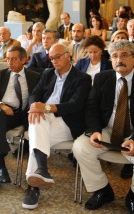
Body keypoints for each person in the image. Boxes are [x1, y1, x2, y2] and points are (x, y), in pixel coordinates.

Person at [72, 40, 134, 214]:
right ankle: (102, 190)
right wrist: (95, 130)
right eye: (114, 56)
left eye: (124, 55)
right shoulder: (102, 78)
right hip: (106, 131)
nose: (119, 59)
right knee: (80, 147)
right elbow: (91, 108)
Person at [21, 43, 92, 210]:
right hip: (45, 120)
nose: (54, 60)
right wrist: (34, 107)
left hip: (67, 123)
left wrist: (45, 108)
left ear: (68, 55)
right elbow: (34, 94)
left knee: (35, 133)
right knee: (38, 124)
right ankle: (41, 171)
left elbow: (75, 105)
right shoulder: (47, 74)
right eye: (51, 58)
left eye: (58, 56)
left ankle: (33, 187)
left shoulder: (82, 78)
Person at [0, 46, 41, 195]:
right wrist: (1, 105)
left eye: (13, 59)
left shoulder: (34, 76)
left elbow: (38, 96)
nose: (10, 62)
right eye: (8, 59)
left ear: (23, 59)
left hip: (18, 114)